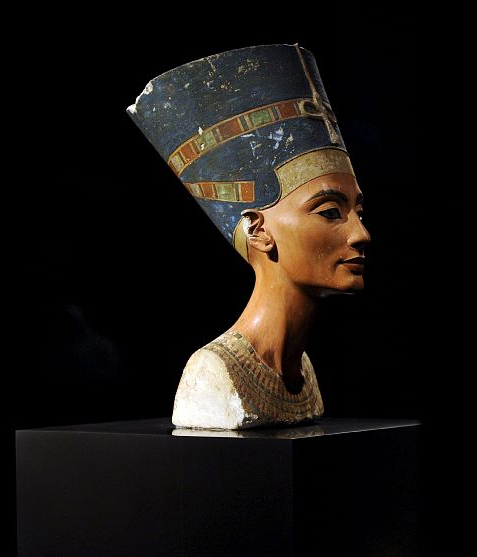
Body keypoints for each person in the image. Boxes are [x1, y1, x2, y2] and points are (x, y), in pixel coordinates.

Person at [128, 44, 369, 430]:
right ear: (260, 232)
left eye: (359, 211)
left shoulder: (303, 368)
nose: (361, 234)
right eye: (329, 212)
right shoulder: (214, 374)